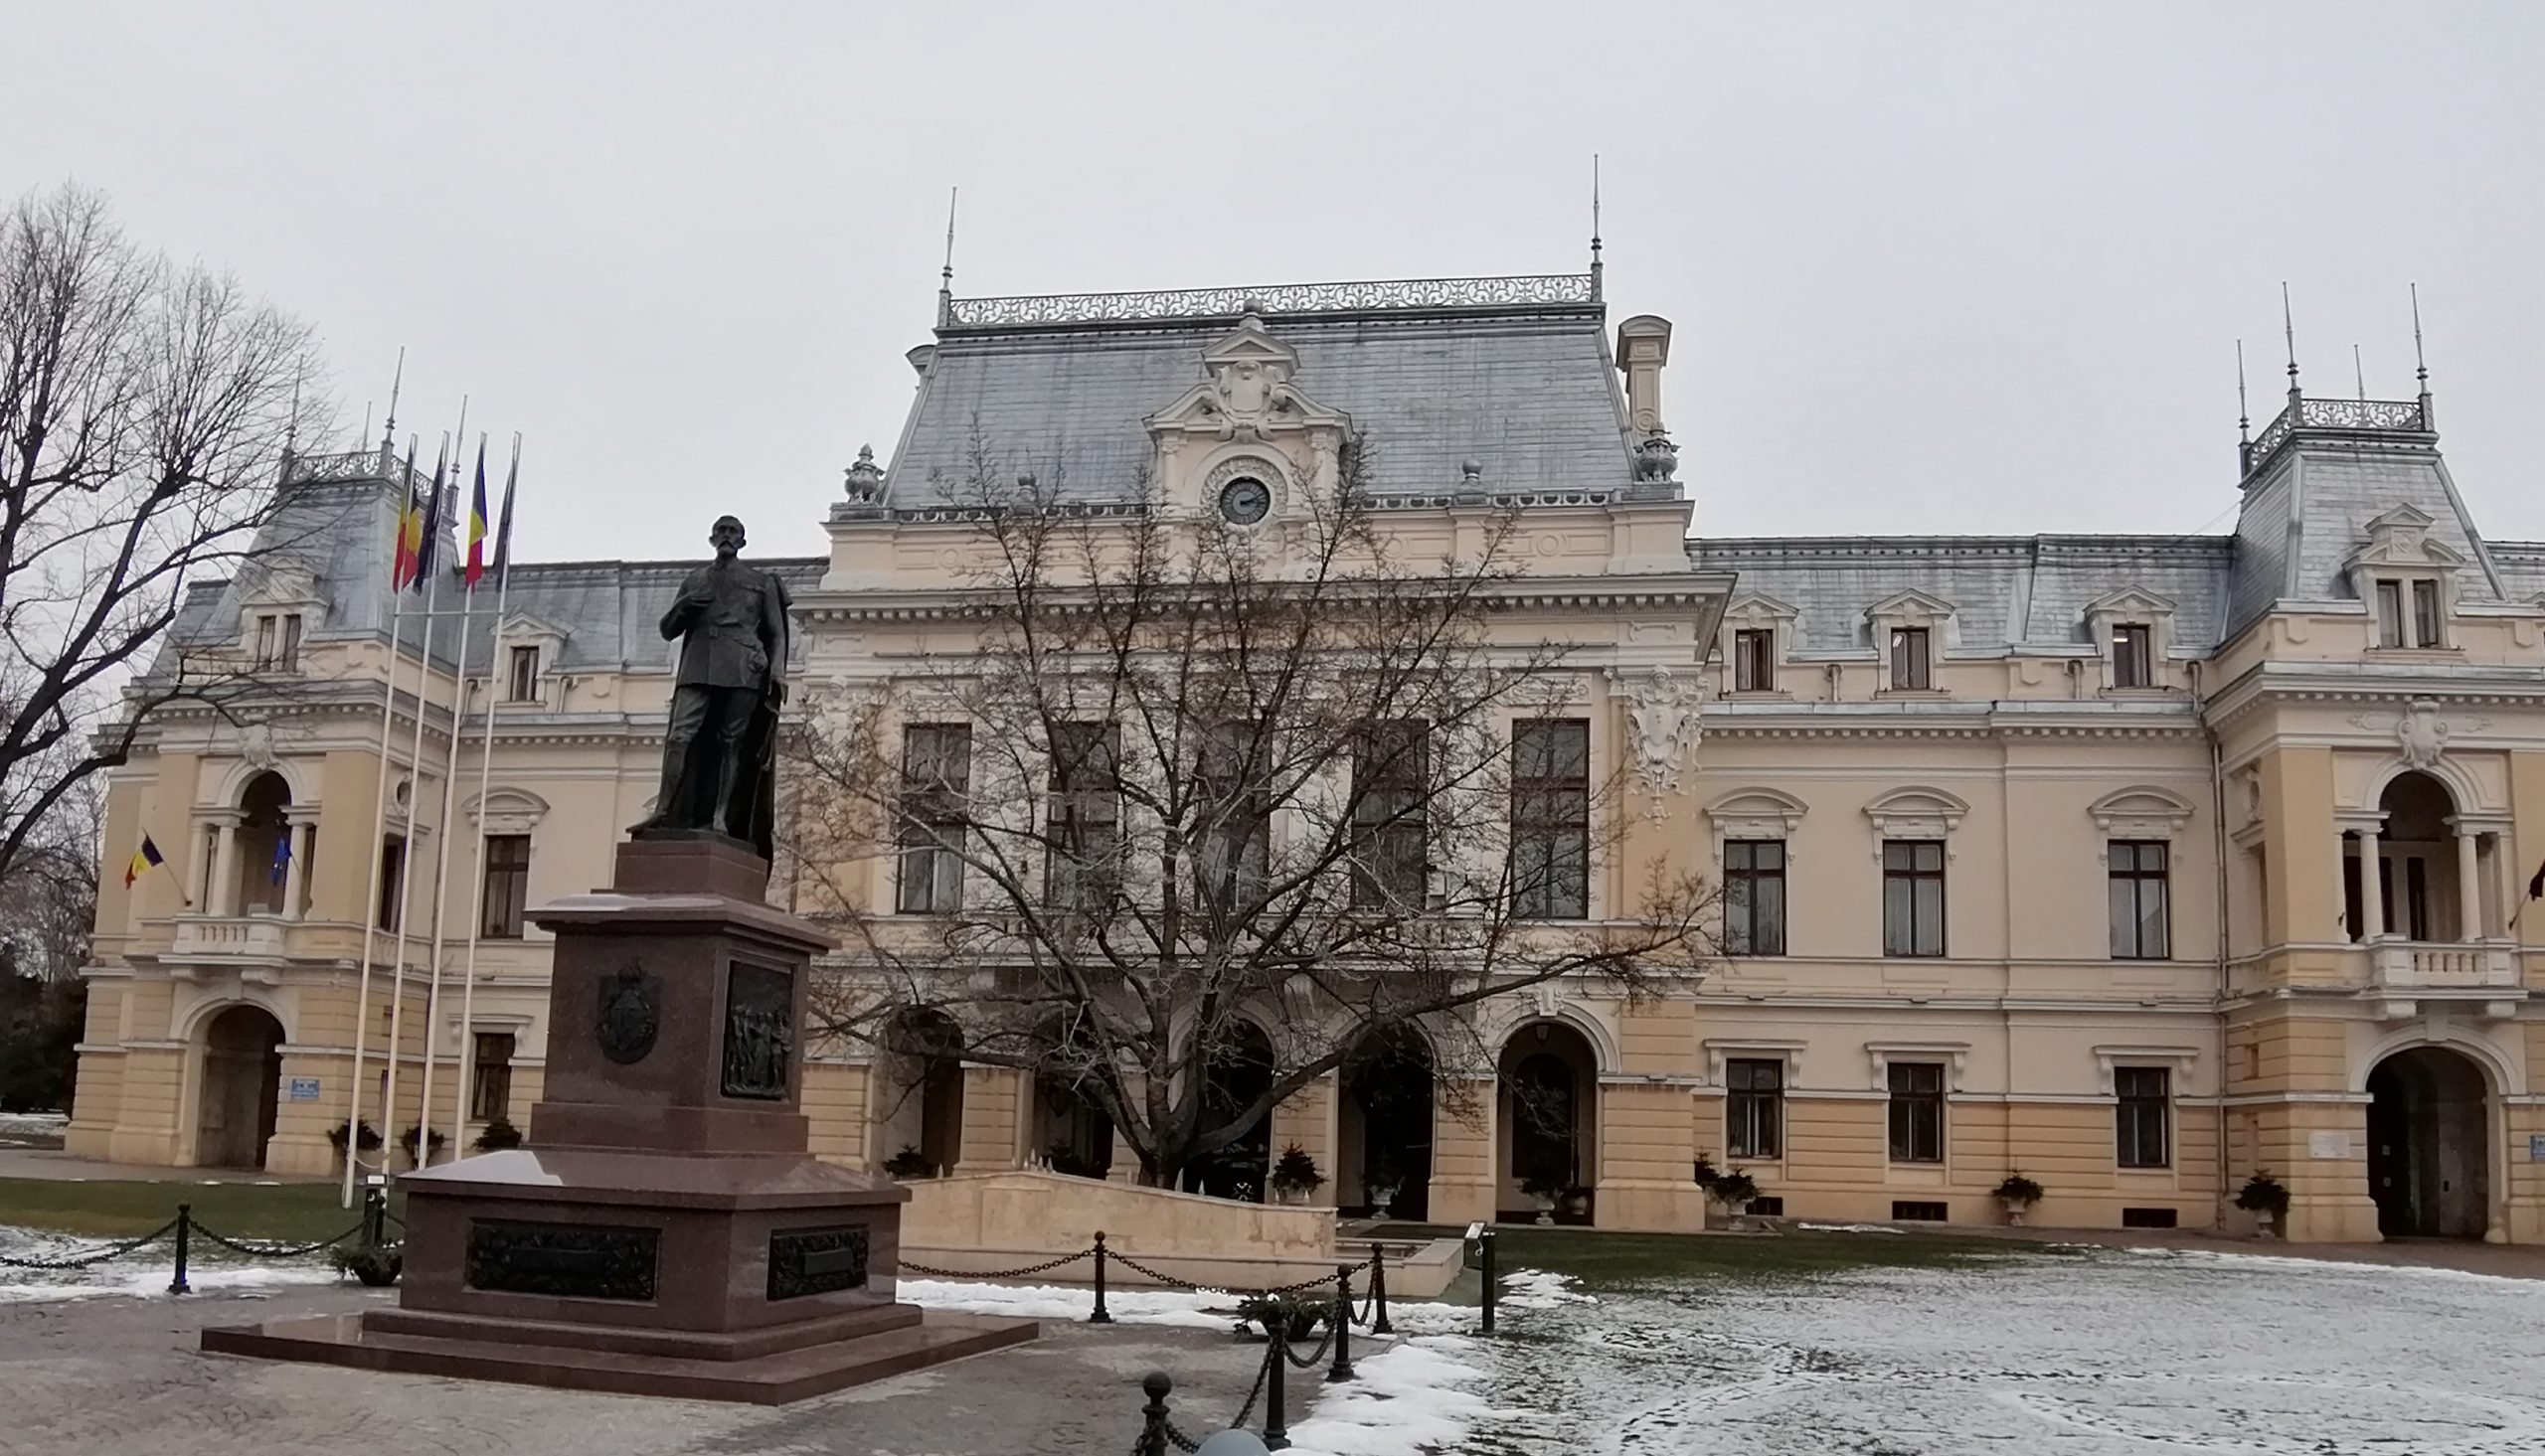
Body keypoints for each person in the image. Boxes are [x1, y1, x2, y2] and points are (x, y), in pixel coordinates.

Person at [642, 515, 790, 853]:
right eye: (720, 531)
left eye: (732, 532)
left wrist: (778, 671)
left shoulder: (761, 582)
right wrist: (684, 605)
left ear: (742, 541)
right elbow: (667, 630)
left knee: (732, 743)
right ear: (711, 539)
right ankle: (664, 810)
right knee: (680, 735)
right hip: (699, 663)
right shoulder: (695, 580)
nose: (726, 537)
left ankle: (721, 818)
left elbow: (777, 633)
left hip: (743, 665)